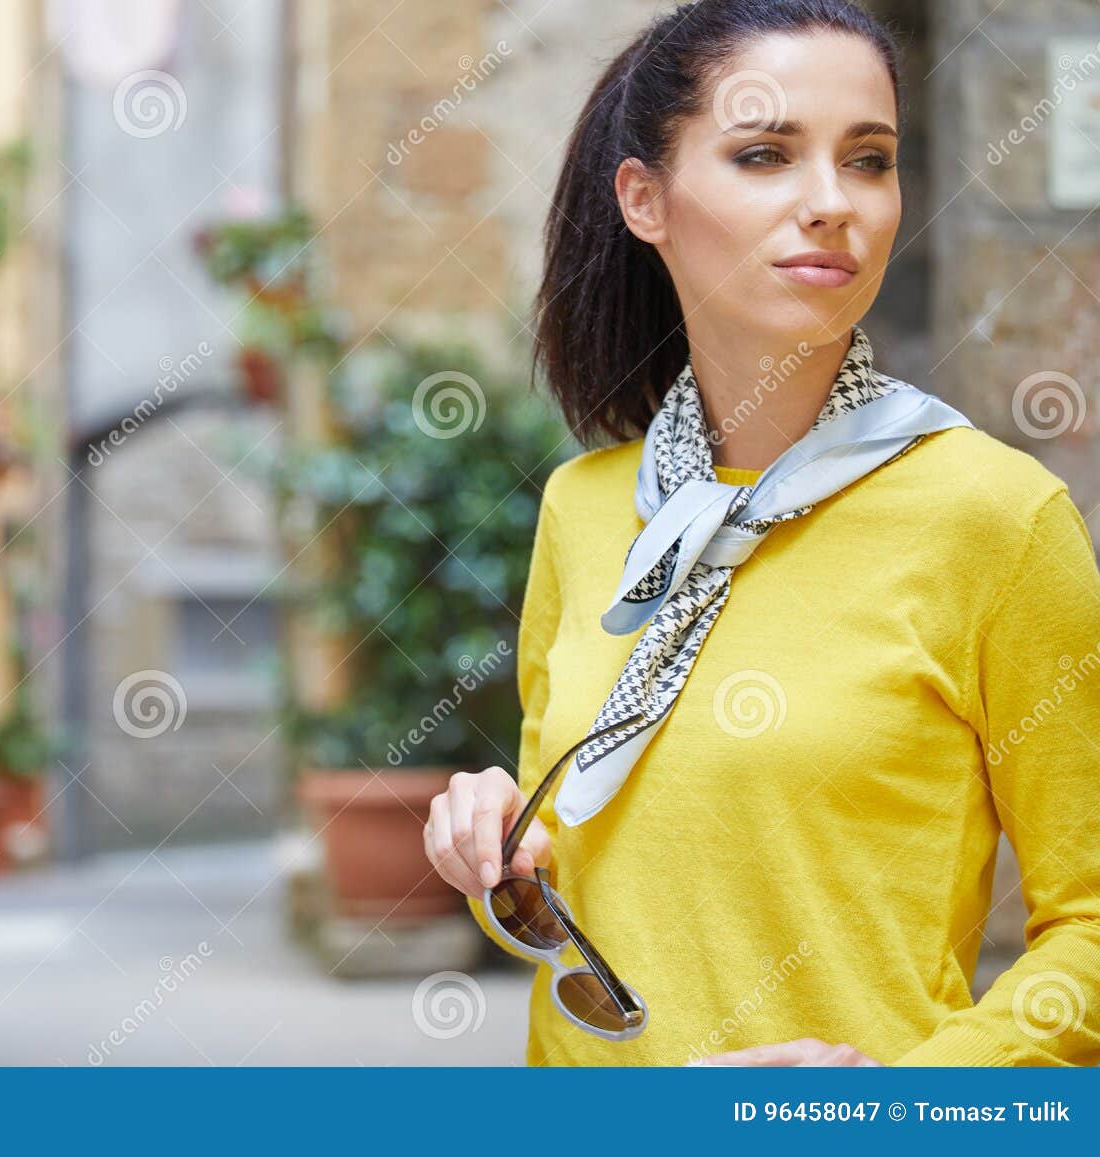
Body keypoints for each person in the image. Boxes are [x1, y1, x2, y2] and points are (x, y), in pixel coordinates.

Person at [424, 0, 1100, 1067]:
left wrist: (901, 1104)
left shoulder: (995, 520)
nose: (831, 203)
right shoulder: (589, 508)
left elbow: (1091, 924)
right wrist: (494, 856)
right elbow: (593, 900)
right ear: (644, 199)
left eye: (867, 160)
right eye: (764, 154)